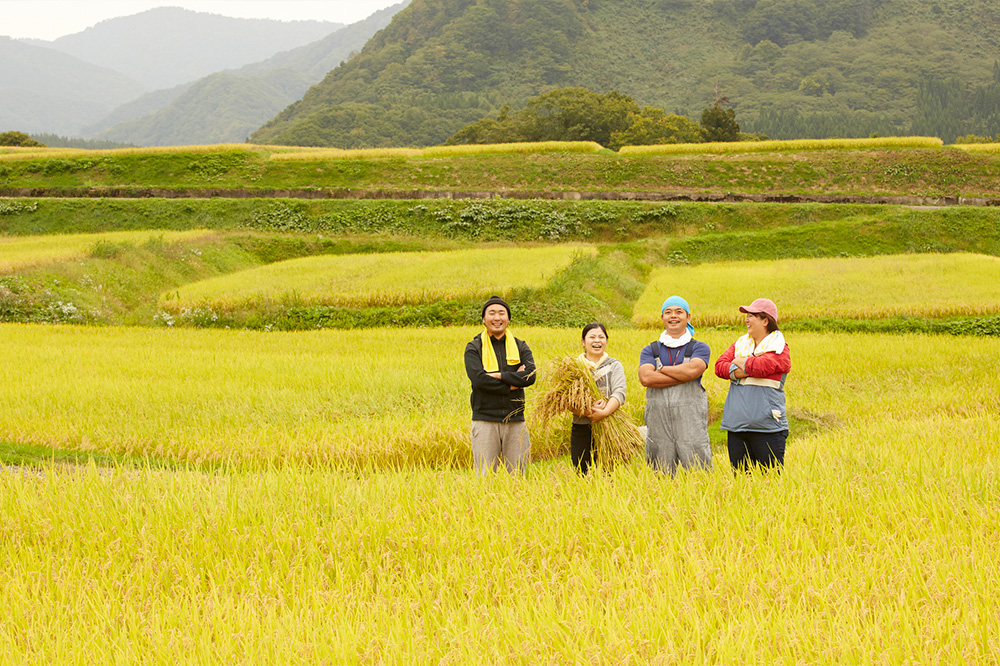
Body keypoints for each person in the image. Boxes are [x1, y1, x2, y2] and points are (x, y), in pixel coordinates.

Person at [714, 298, 791, 471]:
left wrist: (738, 363)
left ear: (765, 320)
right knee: (741, 483)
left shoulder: (780, 348)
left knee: (770, 482)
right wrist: (745, 366)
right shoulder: (740, 344)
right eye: (746, 316)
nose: (746, 320)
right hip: (737, 426)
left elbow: (762, 366)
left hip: (768, 427)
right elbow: (719, 367)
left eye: (751, 316)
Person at [638, 295, 712, 475]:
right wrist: (682, 374)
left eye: (679, 312)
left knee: (698, 471)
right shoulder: (651, 349)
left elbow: (692, 371)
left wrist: (661, 369)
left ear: (688, 317)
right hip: (658, 423)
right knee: (659, 473)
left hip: (691, 423)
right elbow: (646, 378)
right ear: (662, 317)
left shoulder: (699, 348)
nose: (673, 316)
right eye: (668, 312)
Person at [464, 295, 536, 474]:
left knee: (518, 476)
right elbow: (479, 380)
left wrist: (498, 375)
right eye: (492, 313)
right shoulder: (474, 347)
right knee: (485, 477)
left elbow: (530, 376)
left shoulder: (520, 346)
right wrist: (513, 383)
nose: (497, 318)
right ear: (484, 319)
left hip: (515, 421)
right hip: (484, 420)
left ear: (508, 318)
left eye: (502, 313)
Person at [570, 323, 627, 475]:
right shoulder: (573, 367)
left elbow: (619, 392)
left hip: (609, 426)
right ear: (583, 341)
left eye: (601, 337)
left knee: (609, 474)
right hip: (581, 426)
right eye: (592, 337)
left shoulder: (614, 365)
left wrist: (605, 411)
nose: (597, 341)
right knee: (581, 474)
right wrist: (587, 410)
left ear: (606, 341)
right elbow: (565, 399)